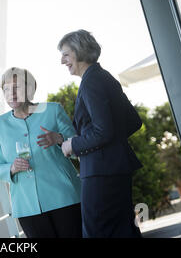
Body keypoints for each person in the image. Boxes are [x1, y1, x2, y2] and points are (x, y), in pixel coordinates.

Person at [58, 29, 143, 238]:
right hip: (116, 168)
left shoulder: (91, 82)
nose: (62, 61)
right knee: (124, 230)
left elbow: (103, 131)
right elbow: (133, 121)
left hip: (101, 172)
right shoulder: (104, 76)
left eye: (66, 54)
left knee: (97, 233)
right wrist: (109, 141)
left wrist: (73, 144)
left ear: (79, 52)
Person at [0, 67, 82, 238]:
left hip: (64, 198)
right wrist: (11, 168)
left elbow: (80, 150)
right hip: (27, 207)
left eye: (16, 87)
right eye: (6, 89)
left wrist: (60, 138)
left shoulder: (52, 111)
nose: (12, 93)